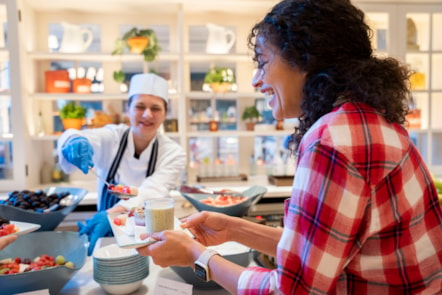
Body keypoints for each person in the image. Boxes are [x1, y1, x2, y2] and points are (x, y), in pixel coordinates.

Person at [136, 0, 442, 294]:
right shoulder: (365, 120)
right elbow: (322, 249)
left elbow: (291, 290)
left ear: (306, 58)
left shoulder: (330, 141)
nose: (256, 80)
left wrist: (196, 255)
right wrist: (236, 229)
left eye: (263, 62)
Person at [57, 73, 186, 255]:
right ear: (129, 109)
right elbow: (81, 136)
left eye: (156, 108)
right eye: (140, 106)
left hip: (147, 238)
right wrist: (73, 141)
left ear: (165, 113)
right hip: (104, 233)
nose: (147, 114)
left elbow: (154, 192)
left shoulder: (173, 152)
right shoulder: (113, 136)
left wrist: (111, 216)